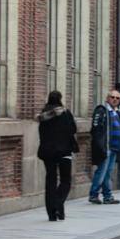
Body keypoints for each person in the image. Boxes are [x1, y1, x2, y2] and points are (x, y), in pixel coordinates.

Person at [37, 91, 77, 221]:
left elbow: (42, 134)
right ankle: (58, 203)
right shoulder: (65, 113)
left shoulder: (43, 116)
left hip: (48, 153)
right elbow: (73, 129)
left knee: (50, 181)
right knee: (66, 181)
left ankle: (52, 214)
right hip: (64, 152)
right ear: (60, 99)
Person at [90, 90, 120, 204]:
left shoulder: (118, 112)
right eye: (112, 97)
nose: (115, 99)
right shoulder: (102, 110)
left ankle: (107, 196)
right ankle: (94, 195)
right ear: (107, 98)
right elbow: (96, 130)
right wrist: (100, 146)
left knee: (107, 173)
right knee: (101, 172)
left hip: (114, 148)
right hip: (106, 148)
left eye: (117, 98)